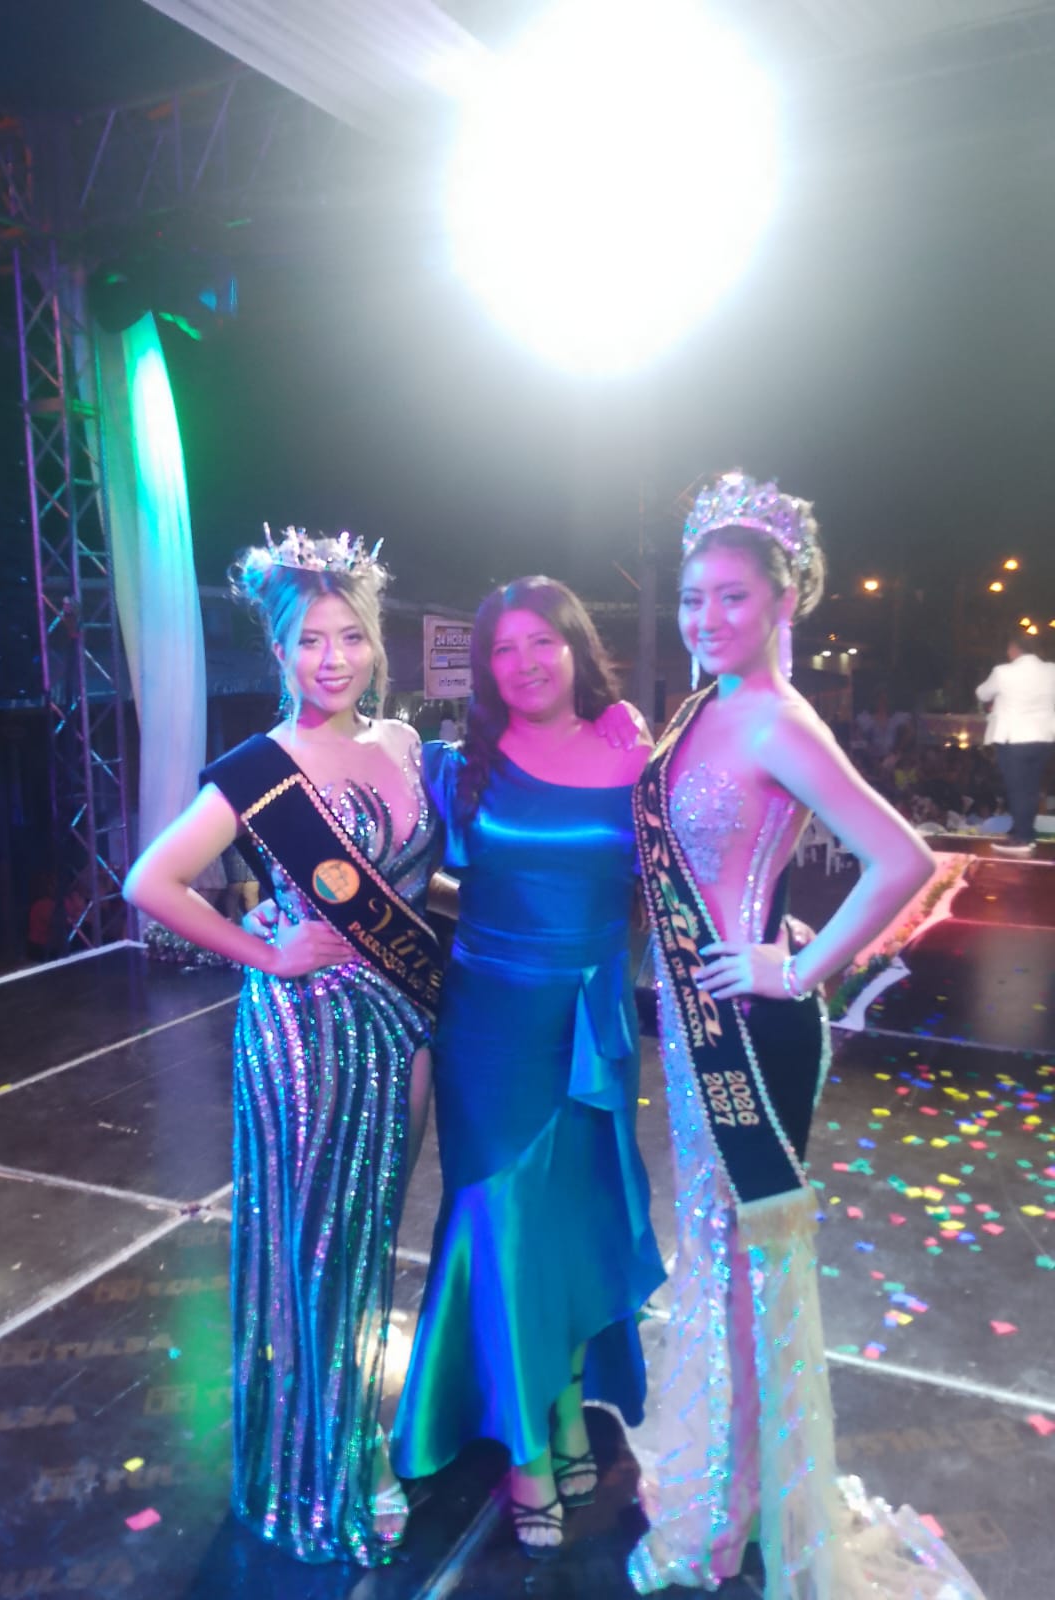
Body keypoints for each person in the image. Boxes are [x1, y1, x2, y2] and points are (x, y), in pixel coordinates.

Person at [627, 474, 986, 1598]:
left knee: (741, 1259)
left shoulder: (781, 719)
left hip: (749, 1027)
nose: (706, 618)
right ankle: (729, 1483)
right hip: (695, 1022)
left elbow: (902, 859)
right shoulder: (703, 705)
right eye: (692, 597)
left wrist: (800, 964)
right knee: (715, 1250)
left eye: (732, 596)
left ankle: (735, 1509)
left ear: (786, 599)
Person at [123, 527, 443, 1567]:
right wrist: (263, 952)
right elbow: (150, 882)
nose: (333, 658)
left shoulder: (403, 745)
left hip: (404, 1023)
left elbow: (411, 876)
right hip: (306, 1035)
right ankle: (321, 1464)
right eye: (310, 640)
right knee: (311, 1248)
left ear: (376, 642)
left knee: (367, 1238)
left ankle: (351, 1436)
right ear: (279, 650)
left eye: (350, 636)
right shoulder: (258, 771)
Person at [391, 576, 665, 1558]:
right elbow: (388, 865)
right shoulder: (457, 761)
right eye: (502, 649)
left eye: (541, 641)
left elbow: (675, 873)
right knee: (501, 1221)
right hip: (490, 1024)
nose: (524, 663)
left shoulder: (632, 748)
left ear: (576, 645)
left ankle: (560, 1408)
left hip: (592, 1022)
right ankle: (528, 1451)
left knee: (572, 1222)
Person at [975, 631, 1055, 855]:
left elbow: (982, 694)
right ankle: (1024, 830)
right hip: (1043, 738)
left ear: (1014, 649)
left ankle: (1022, 838)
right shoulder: (1051, 670)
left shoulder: (1003, 672)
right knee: (1031, 787)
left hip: (1014, 738)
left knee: (1018, 789)